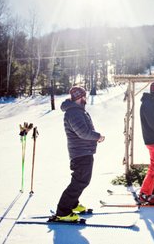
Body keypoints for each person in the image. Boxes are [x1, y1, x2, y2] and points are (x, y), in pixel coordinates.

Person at [54, 86, 105, 222]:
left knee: (81, 180)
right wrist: (98, 136)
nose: (86, 98)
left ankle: (73, 204)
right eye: (84, 96)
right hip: (80, 153)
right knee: (80, 181)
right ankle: (63, 212)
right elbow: (82, 132)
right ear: (80, 97)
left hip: (83, 151)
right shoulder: (74, 113)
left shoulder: (77, 111)